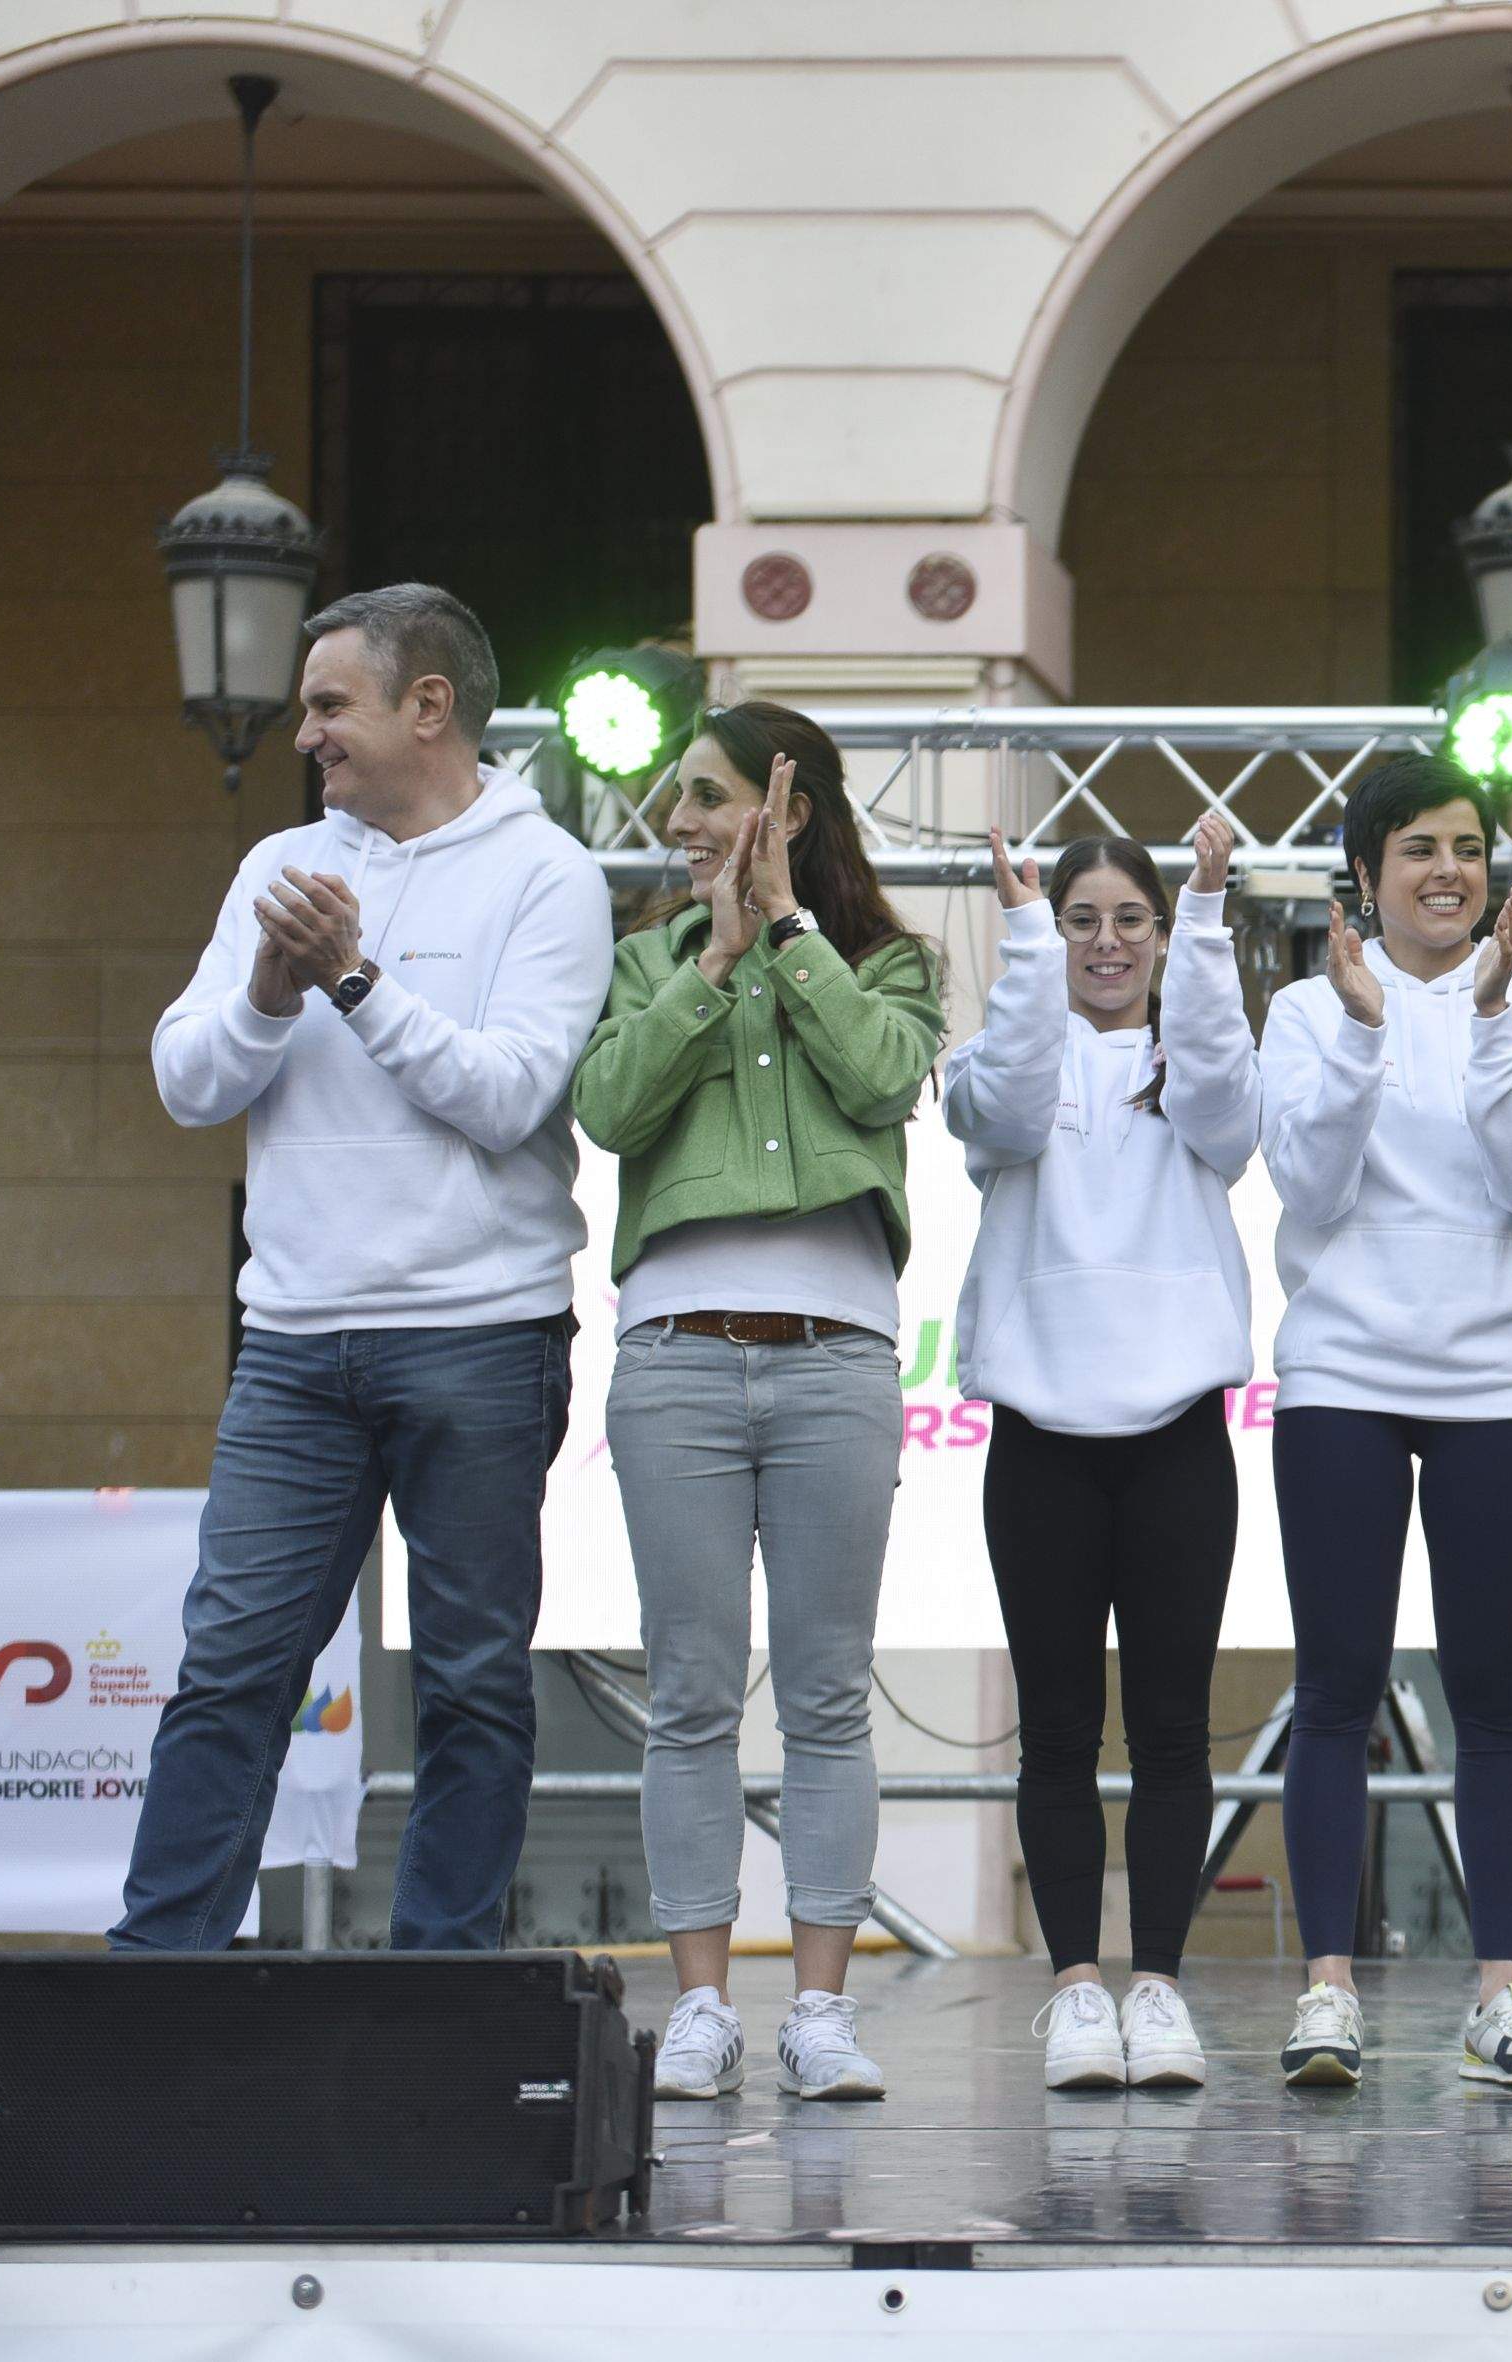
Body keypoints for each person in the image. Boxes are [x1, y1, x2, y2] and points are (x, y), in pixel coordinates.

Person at [121, 583, 611, 1952]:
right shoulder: (277, 867)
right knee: (229, 1670)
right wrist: (272, 988)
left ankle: (436, 1995)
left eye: (332, 703)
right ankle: (153, 1981)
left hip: (479, 1333)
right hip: (291, 1340)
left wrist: (353, 979)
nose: (308, 733)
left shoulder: (548, 874)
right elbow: (182, 1078)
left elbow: (512, 1094)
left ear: (429, 706)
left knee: (470, 1683)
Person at [571, 702, 944, 2104]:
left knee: (831, 1692)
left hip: (836, 1353)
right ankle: (705, 2005)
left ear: (786, 811)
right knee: (688, 1693)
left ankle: (825, 2011)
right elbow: (605, 1108)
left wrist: (786, 938)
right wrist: (712, 962)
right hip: (674, 1353)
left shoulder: (887, 959)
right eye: (677, 801)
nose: (677, 825)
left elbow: (888, 1073)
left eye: (706, 797)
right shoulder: (643, 959)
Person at [1258, 752, 1512, 2089]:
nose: (1447, 869)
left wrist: (1498, 1017)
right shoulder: (1301, 1008)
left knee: (1491, 1698)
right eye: (1415, 848)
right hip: (1342, 1370)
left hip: (1497, 1382)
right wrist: (1356, 1028)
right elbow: (1309, 1180)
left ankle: (1499, 1994)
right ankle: (1328, 1990)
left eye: (1465, 845)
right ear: (1363, 875)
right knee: (1334, 1691)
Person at [944, 811, 1259, 2092]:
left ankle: (1160, 1989)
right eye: (1083, 919)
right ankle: (1076, 1987)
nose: (1107, 942)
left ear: (1164, 936)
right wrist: (1023, 938)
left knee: (1174, 1732)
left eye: (1133, 919)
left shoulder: (1195, 1066)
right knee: (1058, 1733)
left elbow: (1235, 1115)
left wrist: (1213, 919)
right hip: (1039, 1440)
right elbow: (1009, 1114)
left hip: (1180, 1436)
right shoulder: (997, 1052)